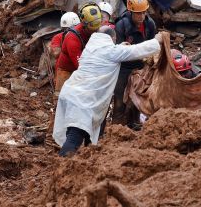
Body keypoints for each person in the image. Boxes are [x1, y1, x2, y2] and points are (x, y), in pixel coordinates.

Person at [53, 27, 166, 156]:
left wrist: (119, 46)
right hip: (82, 100)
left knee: (76, 133)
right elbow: (137, 50)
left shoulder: (90, 48)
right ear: (112, 39)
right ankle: (63, 168)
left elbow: (110, 51)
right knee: (74, 138)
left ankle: (79, 163)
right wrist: (157, 41)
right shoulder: (111, 52)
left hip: (71, 93)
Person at [112, 0, 157, 127]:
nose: (141, 16)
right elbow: (119, 51)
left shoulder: (150, 25)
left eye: (144, 12)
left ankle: (135, 123)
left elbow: (151, 46)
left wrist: (149, 60)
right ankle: (117, 125)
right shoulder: (122, 26)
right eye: (138, 13)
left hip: (141, 65)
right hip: (124, 67)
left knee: (139, 97)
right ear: (131, 12)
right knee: (120, 97)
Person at [54, 3, 103, 92]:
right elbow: (80, 65)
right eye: (92, 30)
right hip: (67, 71)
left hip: (83, 68)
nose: (94, 32)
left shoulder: (96, 29)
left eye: (96, 29)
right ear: (84, 24)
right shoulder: (72, 38)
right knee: (61, 98)